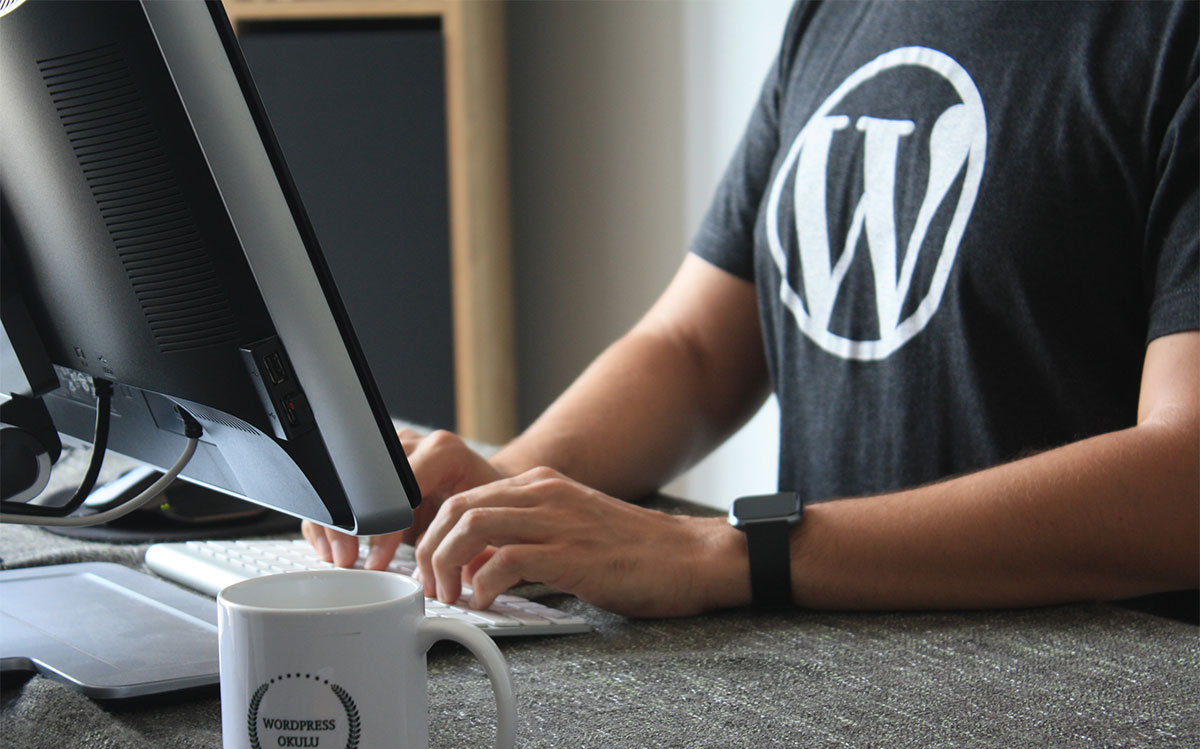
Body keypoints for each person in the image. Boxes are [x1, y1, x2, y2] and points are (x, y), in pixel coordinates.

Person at [304, 0, 1198, 619]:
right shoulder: (835, 13)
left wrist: (727, 553)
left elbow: (1185, 476)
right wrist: (513, 491)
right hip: (839, 670)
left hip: (1079, 715)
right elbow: (695, 346)